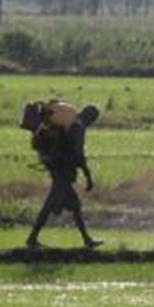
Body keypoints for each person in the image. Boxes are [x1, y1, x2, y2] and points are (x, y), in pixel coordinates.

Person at [26, 102, 102, 249]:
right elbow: (79, 155)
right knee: (50, 206)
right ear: (91, 119)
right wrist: (88, 176)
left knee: (75, 206)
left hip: (58, 169)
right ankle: (32, 238)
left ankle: (87, 239)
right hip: (63, 172)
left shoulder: (72, 123)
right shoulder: (78, 127)